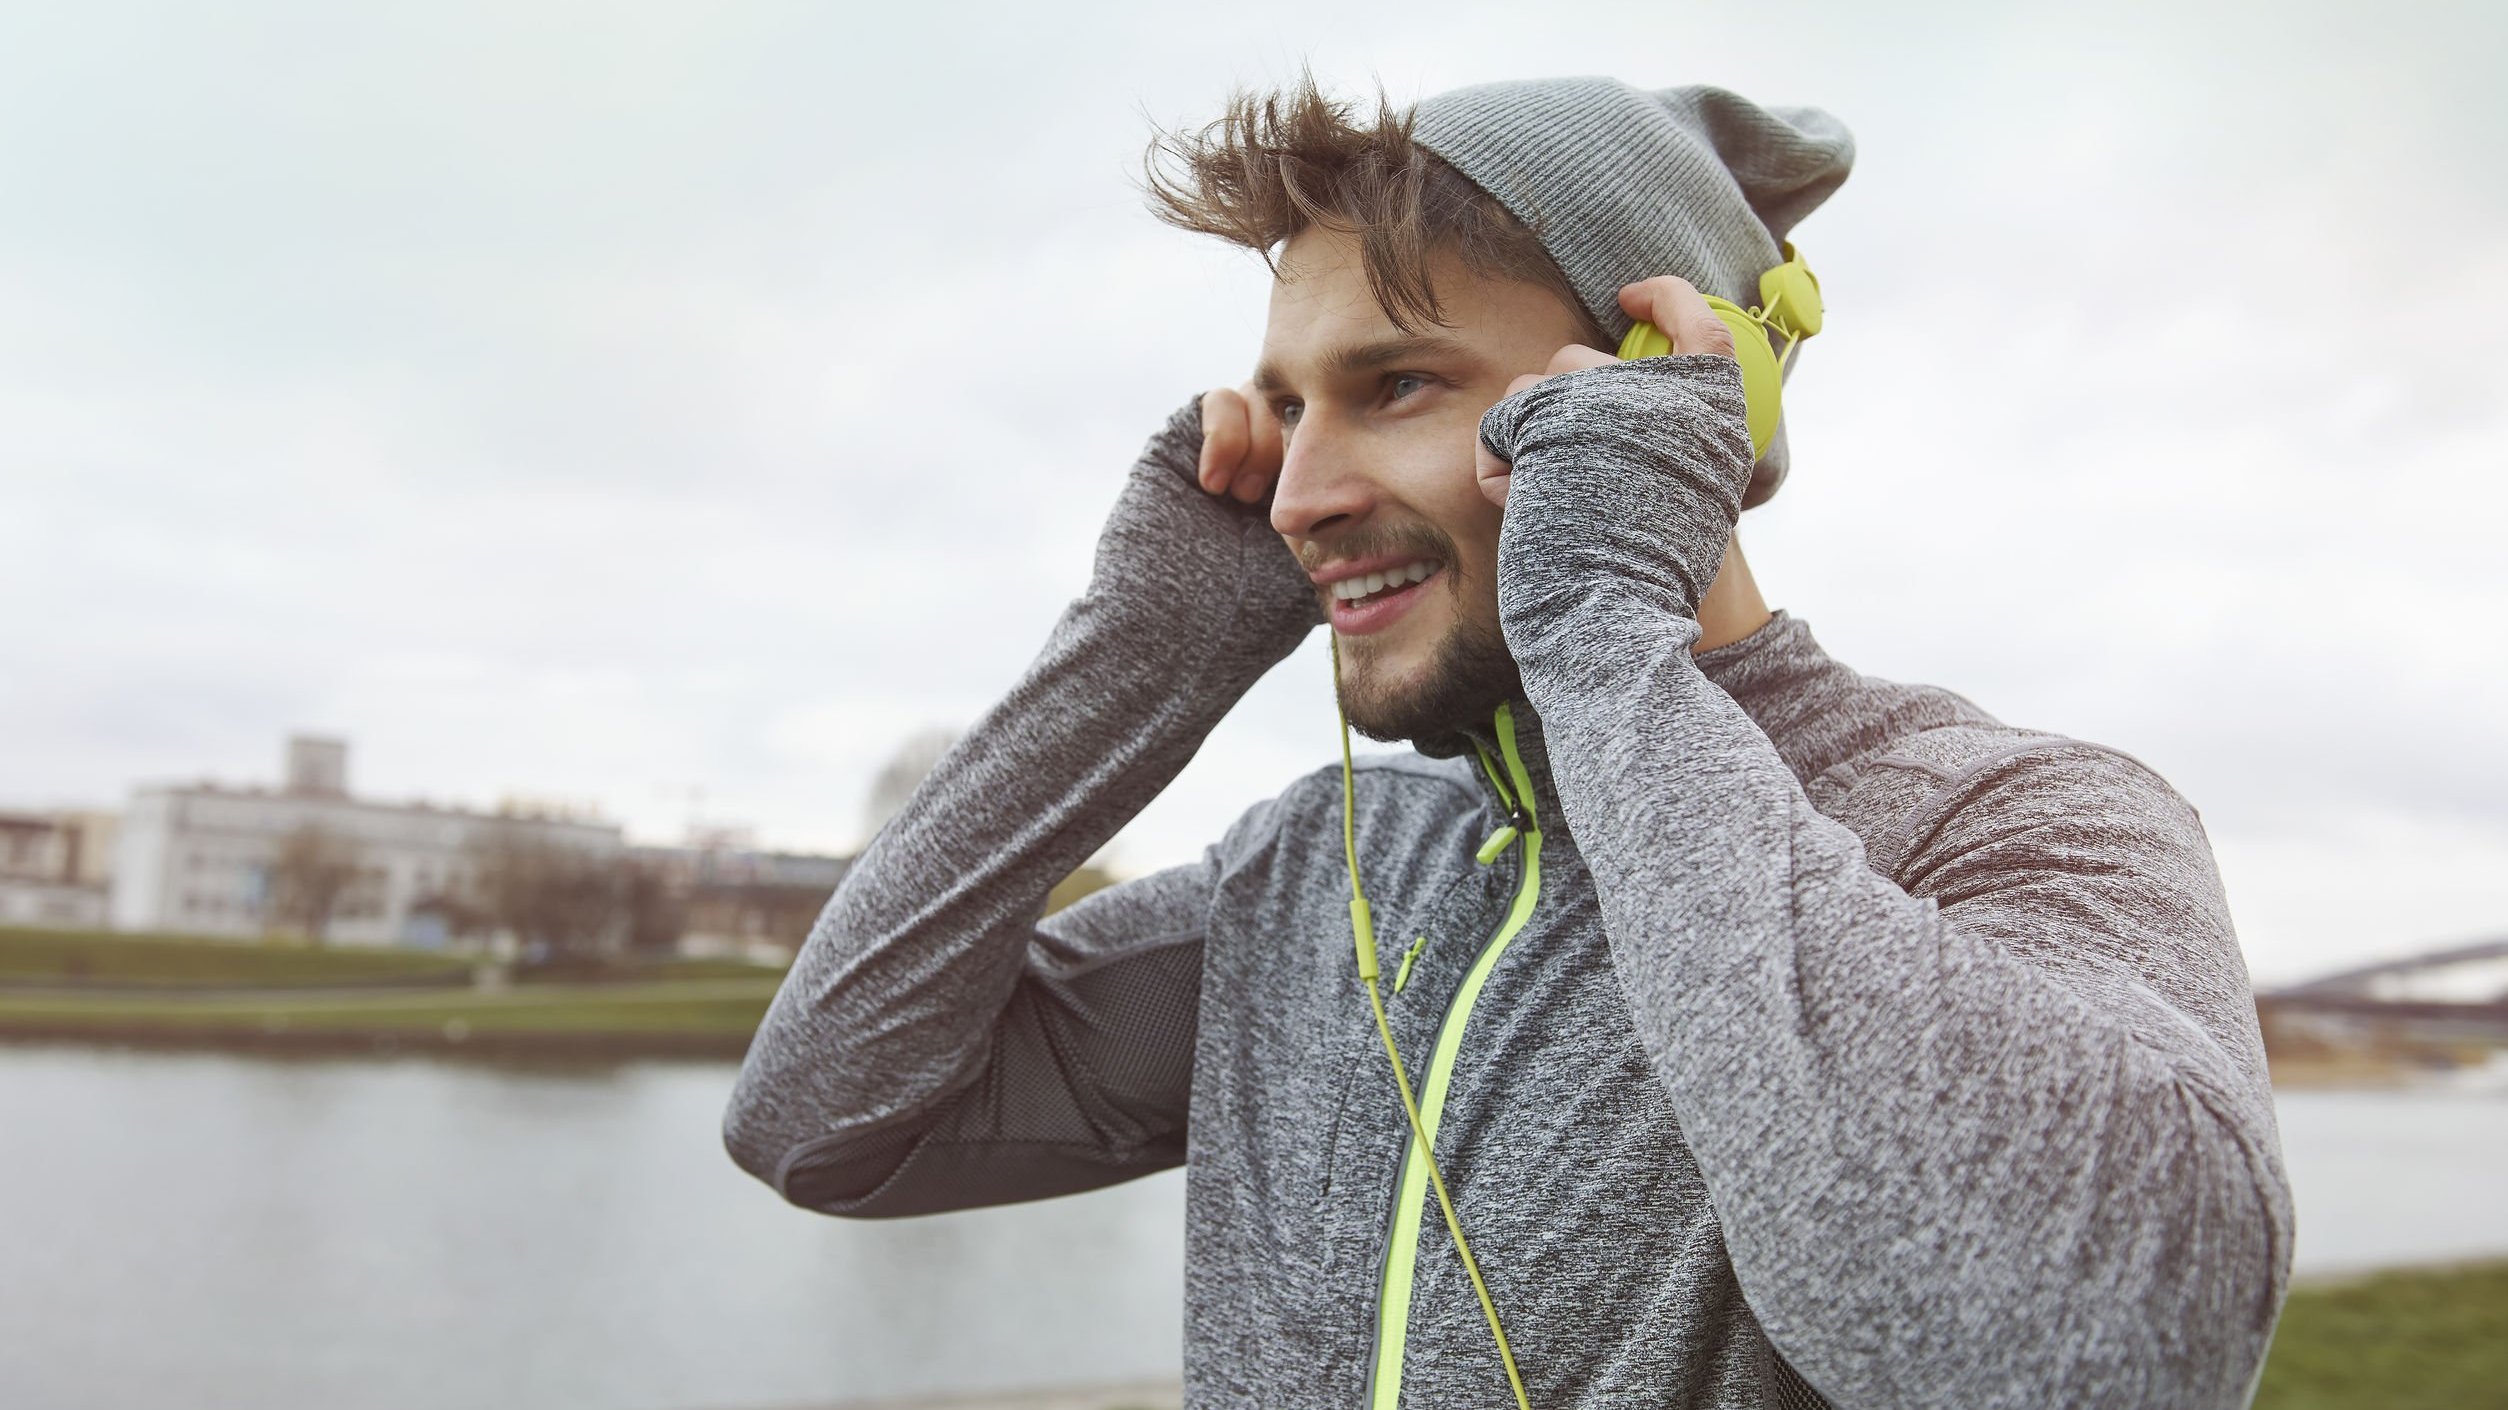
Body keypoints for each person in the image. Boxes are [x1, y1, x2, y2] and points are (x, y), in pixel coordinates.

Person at [722, 73, 2294, 1410]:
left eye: (1392, 384)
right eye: (1287, 406)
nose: (1294, 493)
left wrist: (1605, 624)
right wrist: (1134, 661)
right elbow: (826, 1121)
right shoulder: (1311, 869)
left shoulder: (2013, 818)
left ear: (1669, 396)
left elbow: (2111, 1344)